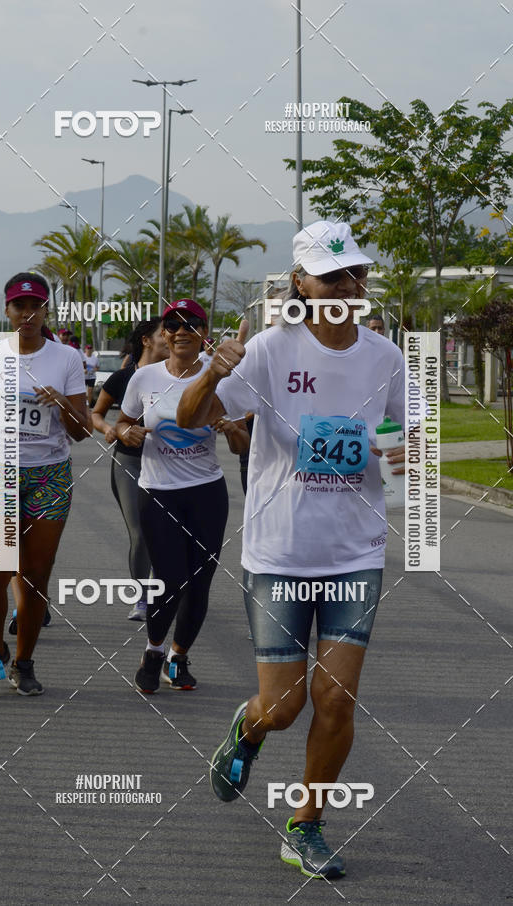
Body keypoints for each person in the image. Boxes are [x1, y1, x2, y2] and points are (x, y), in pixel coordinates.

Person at [177, 222, 406, 879]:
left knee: (335, 700)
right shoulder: (272, 350)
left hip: (355, 553)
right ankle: (246, 730)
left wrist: (395, 455)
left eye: (356, 274)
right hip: (279, 554)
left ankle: (305, 826)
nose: (346, 286)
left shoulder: (385, 358)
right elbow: (193, 418)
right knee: (283, 706)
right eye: (331, 276)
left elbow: (404, 446)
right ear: (301, 283)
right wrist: (213, 372)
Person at [0, 272, 91, 696]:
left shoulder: (67, 358)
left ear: (46, 311)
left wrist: (62, 406)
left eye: (36, 306)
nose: (28, 315)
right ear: (7, 310)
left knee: (34, 577)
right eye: (20, 306)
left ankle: (24, 662)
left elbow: (80, 432)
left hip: (48, 474)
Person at [116, 299, 249, 692]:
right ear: (162, 334)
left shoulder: (221, 376)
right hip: (158, 493)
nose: (180, 332)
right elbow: (122, 422)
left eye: (190, 324)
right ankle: (153, 649)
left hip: (206, 492)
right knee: (169, 580)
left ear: (203, 333)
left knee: (200, 581)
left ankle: (178, 656)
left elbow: (242, 446)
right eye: (171, 325)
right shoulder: (144, 377)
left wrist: (230, 428)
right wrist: (126, 433)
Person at [92, 318, 168, 620]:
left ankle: (167, 589)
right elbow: (95, 414)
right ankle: (142, 597)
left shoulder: (178, 375)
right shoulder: (122, 378)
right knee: (140, 531)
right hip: (129, 462)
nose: (171, 337)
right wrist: (110, 429)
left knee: (167, 532)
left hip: (169, 464)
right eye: (164, 333)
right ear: (146, 340)